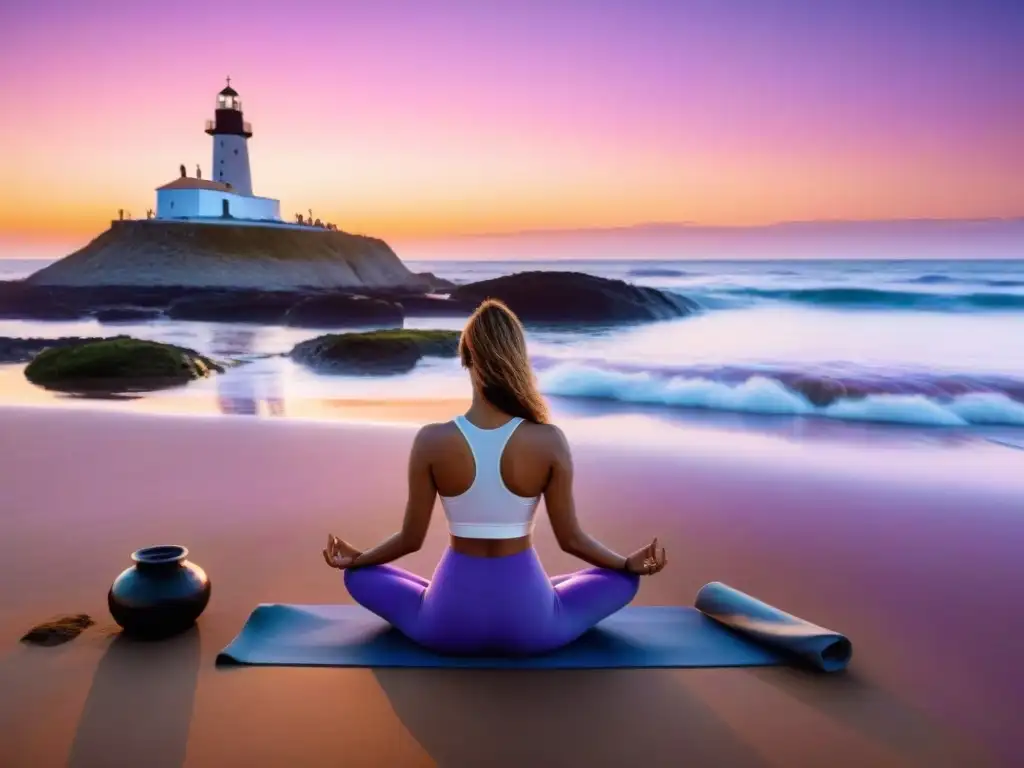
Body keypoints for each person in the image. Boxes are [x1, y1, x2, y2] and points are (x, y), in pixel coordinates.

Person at [322, 299, 667, 655]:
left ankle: (439, 593)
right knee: (622, 581)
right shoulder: (548, 440)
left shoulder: (432, 440)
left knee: (359, 577)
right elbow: (572, 540)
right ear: (518, 358)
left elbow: (410, 539)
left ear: (466, 359)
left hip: (448, 623)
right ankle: (542, 591)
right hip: (531, 624)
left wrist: (358, 559)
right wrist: (626, 563)